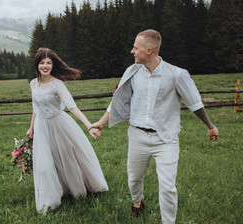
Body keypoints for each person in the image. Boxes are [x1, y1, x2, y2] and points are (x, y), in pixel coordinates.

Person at [90, 29, 219, 224]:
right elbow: (117, 102)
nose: (132, 51)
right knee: (134, 178)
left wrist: (210, 126)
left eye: (136, 48)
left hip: (166, 139)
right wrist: (100, 123)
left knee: (168, 186)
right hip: (137, 136)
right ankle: (137, 202)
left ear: (149, 50)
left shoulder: (177, 74)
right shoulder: (131, 72)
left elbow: (195, 103)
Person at [26, 47, 108, 214]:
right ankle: (50, 199)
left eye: (49, 63)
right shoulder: (33, 83)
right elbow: (35, 107)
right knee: (45, 165)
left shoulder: (57, 84)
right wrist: (31, 127)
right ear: (37, 65)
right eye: (42, 63)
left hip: (59, 125)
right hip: (42, 127)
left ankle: (77, 190)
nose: (45, 66)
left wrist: (88, 125)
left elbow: (72, 107)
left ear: (53, 65)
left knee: (67, 158)